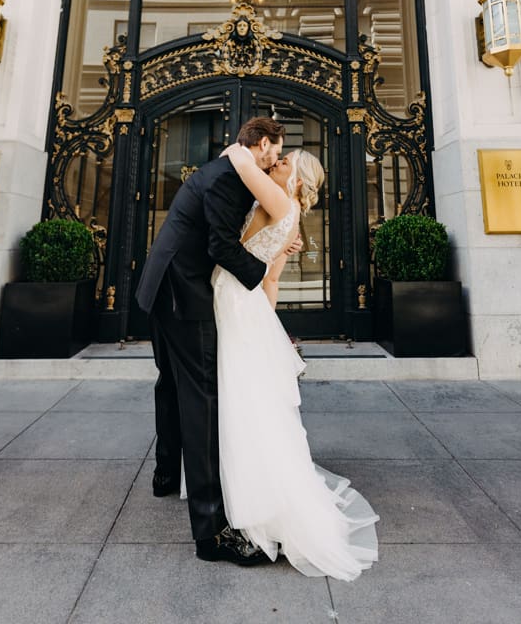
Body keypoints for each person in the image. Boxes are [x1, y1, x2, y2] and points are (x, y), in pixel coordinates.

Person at [213, 142, 379, 581]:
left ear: (297, 180)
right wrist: (265, 331)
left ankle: (254, 503)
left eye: (282, 162)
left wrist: (242, 149)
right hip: (247, 308)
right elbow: (270, 281)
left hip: (232, 300)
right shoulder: (293, 219)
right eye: (276, 159)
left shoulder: (278, 198)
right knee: (253, 405)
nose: (274, 163)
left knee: (241, 405)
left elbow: (243, 165)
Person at [134, 117, 286, 565]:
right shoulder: (229, 179)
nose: (276, 162)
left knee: (171, 384)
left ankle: (165, 473)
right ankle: (211, 533)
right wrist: (260, 276)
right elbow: (221, 246)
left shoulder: (221, 171)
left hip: (160, 289)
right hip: (183, 296)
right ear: (261, 145)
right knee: (202, 401)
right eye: (275, 153)